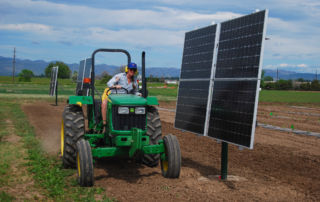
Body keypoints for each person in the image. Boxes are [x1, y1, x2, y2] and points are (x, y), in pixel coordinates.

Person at [101, 62, 141, 130]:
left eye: (134, 70)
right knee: (104, 103)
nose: (132, 71)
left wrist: (138, 94)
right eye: (131, 69)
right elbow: (109, 83)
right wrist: (115, 86)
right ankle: (104, 124)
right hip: (114, 97)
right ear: (127, 70)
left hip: (126, 99)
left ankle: (134, 125)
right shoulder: (119, 76)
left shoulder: (134, 81)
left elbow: (135, 92)